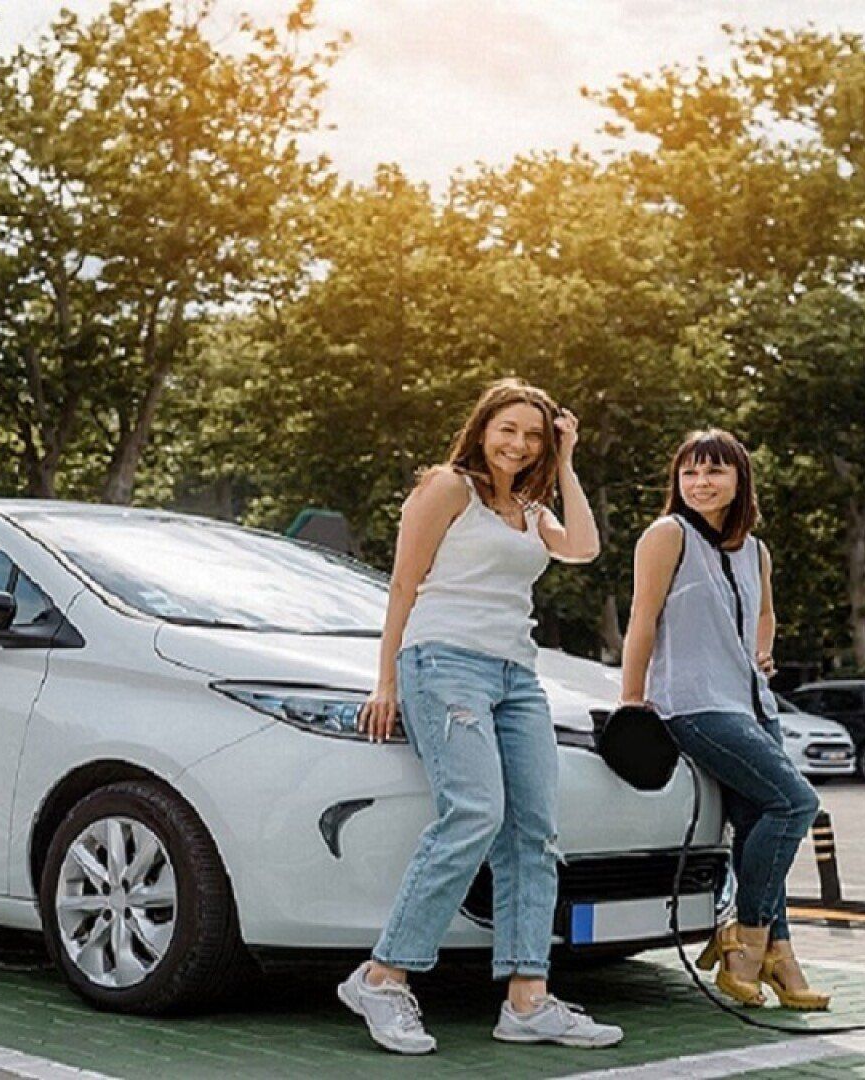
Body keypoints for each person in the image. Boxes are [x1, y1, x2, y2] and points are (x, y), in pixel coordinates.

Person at [337, 378, 623, 1054]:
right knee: (474, 812)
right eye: (509, 430)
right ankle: (382, 976)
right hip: (443, 661)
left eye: (533, 436)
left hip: (516, 675)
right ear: (483, 427)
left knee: (535, 831)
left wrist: (569, 459)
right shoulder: (447, 488)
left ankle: (527, 998)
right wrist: (386, 680)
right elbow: (403, 583)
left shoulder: (529, 506)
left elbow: (583, 547)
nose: (519, 445)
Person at [618, 429, 830, 1011]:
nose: (701, 483)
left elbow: (765, 613)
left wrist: (763, 653)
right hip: (693, 702)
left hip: (753, 704)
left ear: (740, 481)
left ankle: (780, 961)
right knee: (795, 805)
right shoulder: (667, 535)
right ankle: (747, 938)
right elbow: (642, 620)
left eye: (714, 472)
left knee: (760, 829)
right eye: (690, 473)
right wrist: (632, 700)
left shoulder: (755, 550)